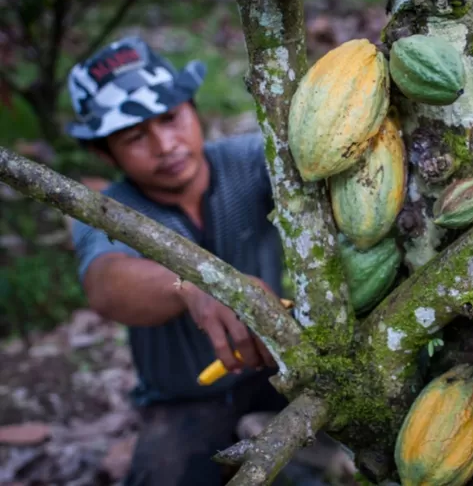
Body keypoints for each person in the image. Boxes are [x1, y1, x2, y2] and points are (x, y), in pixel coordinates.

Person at [65, 35, 331, 486]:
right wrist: (193, 284)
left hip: (279, 365)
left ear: (193, 108)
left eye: (170, 118)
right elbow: (106, 283)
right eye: (135, 136)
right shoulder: (107, 210)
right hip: (185, 395)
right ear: (102, 152)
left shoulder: (250, 160)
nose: (164, 144)